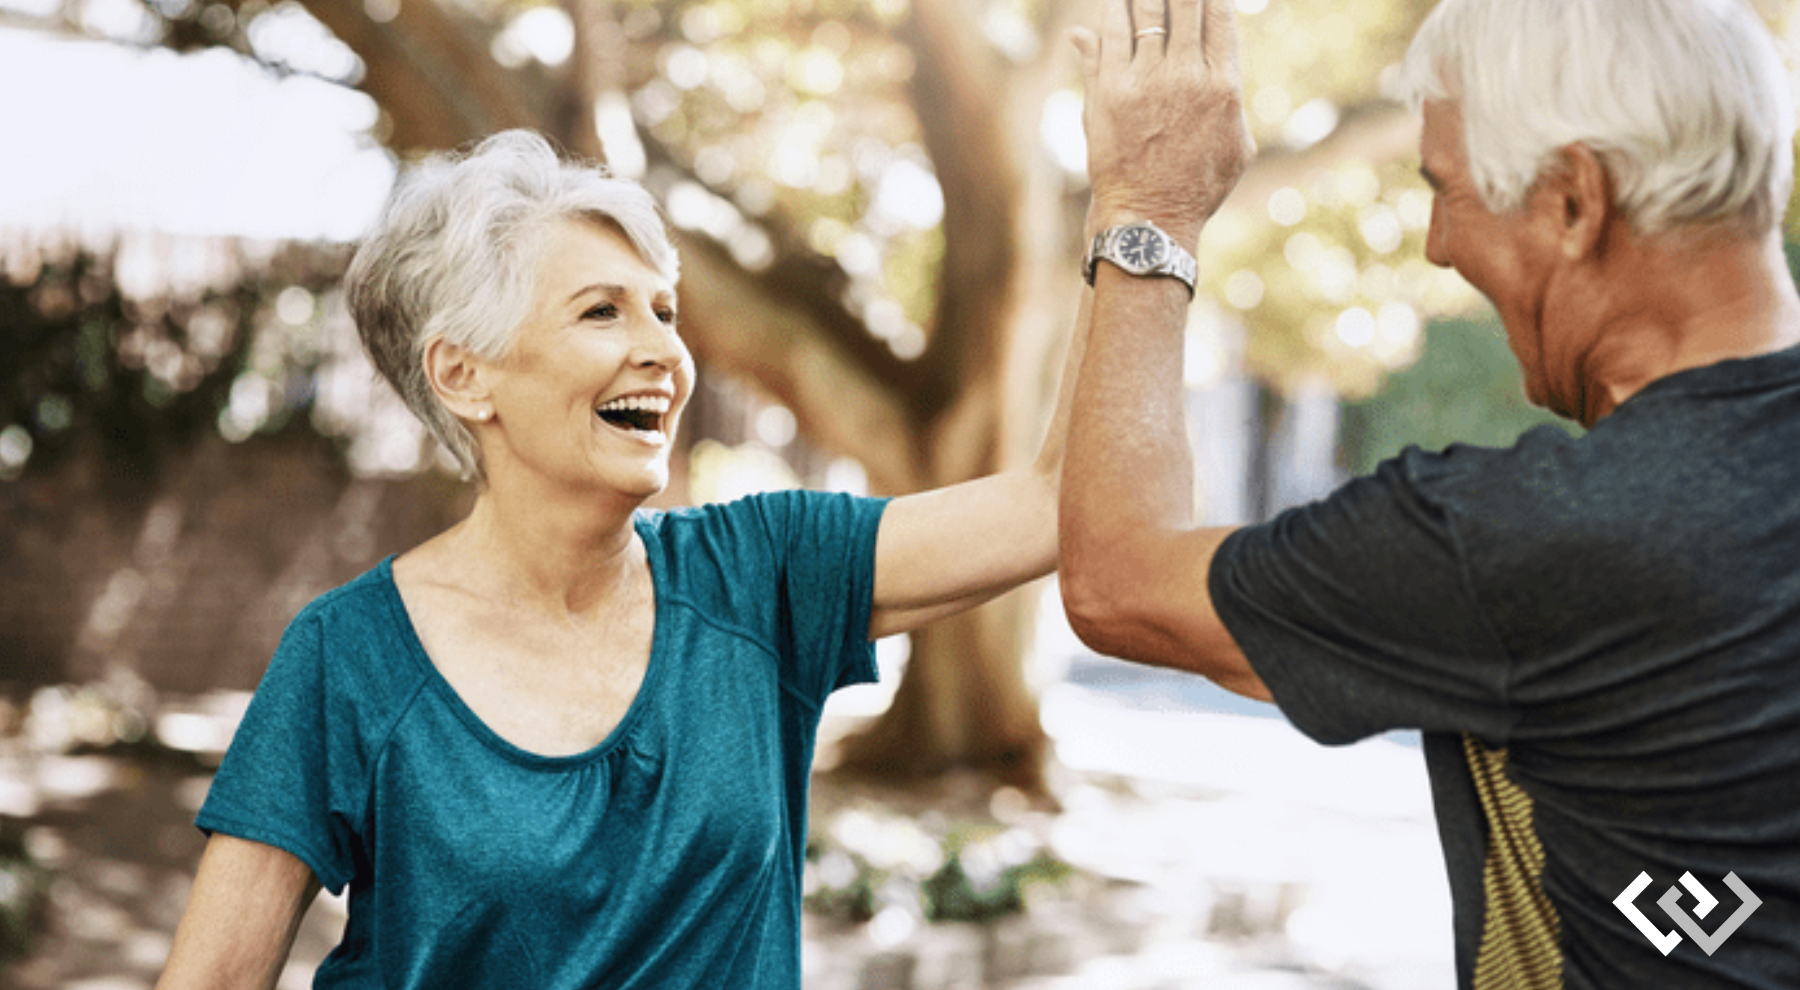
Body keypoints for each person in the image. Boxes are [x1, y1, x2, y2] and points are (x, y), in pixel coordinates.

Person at [156, 129, 1090, 989]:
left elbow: (1055, 506)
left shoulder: (760, 575)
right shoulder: (348, 657)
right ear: (462, 374)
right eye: (602, 312)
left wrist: (1141, 211)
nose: (666, 354)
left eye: (665, 311)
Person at [1061, 0, 1800, 986]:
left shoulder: (1530, 541)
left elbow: (1116, 582)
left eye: (1445, 191)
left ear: (1574, 200)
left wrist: (1148, 210)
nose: (1438, 244)